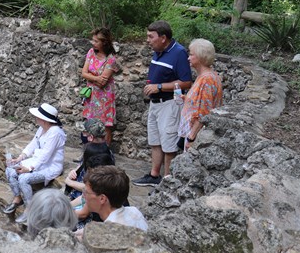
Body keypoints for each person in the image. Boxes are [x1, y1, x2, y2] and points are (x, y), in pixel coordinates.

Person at [133, 20, 192, 186]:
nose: (148, 40)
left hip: (170, 105)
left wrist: (158, 86)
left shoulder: (179, 53)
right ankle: (154, 175)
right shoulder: (158, 50)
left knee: (168, 144)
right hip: (155, 104)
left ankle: (167, 182)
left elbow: (186, 82)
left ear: (163, 37)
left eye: (151, 37)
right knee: (155, 141)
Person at [3, 103, 66, 224]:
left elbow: (46, 155)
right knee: (10, 170)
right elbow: (33, 144)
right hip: (38, 161)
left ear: (44, 120)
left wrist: (30, 168)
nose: (36, 118)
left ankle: (30, 208)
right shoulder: (42, 128)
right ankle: (17, 197)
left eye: (38, 116)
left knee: (23, 179)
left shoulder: (56, 133)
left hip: (50, 166)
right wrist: (20, 158)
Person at [178, 39, 223, 151]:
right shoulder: (205, 76)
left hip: (196, 134)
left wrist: (191, 137)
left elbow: (204, 112)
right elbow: (201, 102)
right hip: (193, 130)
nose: (188, 58)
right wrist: (187, 100)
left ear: (201, 56)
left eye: (191, 54)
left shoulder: (207, 80)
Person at [81, 27, 120, 145]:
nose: (93, 43)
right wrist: (97, 78)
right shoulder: (91, 53)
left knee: (106, 125)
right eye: (93, 40)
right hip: (91, 95)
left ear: (104, 43)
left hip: (105, 97)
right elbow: (83, 73)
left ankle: (105, 153)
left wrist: (90, 76)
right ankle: (88, 152)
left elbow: (103, 83)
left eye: (96, 41)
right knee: (89, 122)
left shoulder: (111, 59)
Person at [83, 166, 148, 231]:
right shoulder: (134, 211)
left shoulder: (108, 231)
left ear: (102, 199)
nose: (83, 196)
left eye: (86, 192)